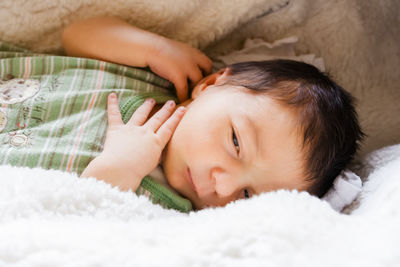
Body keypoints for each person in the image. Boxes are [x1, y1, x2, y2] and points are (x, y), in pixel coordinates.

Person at [0, 17, 364, 212]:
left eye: (248, 195)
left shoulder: (166, 209)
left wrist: (120, 169)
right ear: (208, 85)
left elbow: (73, 216)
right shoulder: (158, 77)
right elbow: (77, 34)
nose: (222, 187)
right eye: (235, 141)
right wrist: (153, 47)